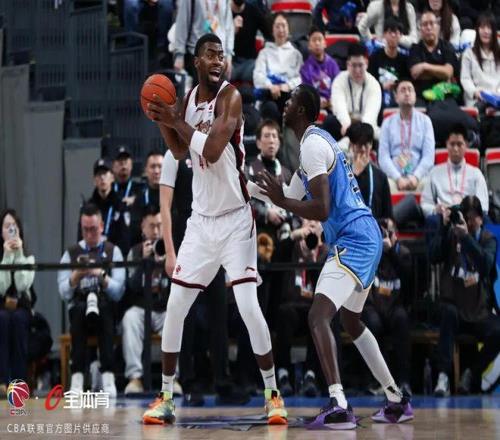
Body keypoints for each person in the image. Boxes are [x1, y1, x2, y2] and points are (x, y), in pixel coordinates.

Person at [142, 33, 287, 425]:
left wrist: (174, 119)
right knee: (176, 306)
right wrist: (162, 120)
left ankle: (273, 394)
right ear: (196, 61)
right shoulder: (188, 101)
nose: (218, 60)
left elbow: (210, 149)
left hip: (237, 219)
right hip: (201, 223)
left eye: (222, 55)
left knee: (248, 306)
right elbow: (179, 150)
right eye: (210, 54)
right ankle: (166, 396)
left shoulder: (231, 98)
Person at [258, 84, 412, 428]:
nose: (285, 103)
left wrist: (281, 201)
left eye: (291, 100)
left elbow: (322, 209)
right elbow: (287, 196)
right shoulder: (311, 148)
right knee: (351, 322)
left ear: (302, 110)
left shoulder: (313, 145)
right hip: (366, 236)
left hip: (354, 238)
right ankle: (396, 400)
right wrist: (247, 188)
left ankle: (339, 404)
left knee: (317, 316)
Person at [429, 196, 500, 396]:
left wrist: (467, 238)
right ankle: (443, 376)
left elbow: (485, 265)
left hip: (478, 310)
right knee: (448, 312)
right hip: (455, 307)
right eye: (464, 218)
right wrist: (443, 227)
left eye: (471, 218)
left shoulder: (488, 239)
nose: (467, 222)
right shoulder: (452, 235)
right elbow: (433, 256)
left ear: (480, 219)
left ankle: (471, 373)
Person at [58, 203, 126, 397]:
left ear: (102, 226)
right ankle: (77, 376)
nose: (89, 234)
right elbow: (63, 293)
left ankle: (108, 375)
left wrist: (100, 275)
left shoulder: (113, 251)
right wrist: (76, 276)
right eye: (85, 229)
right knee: (79, 310)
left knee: (104, 309)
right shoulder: (71, 253)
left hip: (105, 308)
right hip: (80, 308)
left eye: (93, 229)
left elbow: (119, 291)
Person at [122, 206, 170, 394]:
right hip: (141, 307)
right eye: (152, 226)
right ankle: (135, 378)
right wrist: (143, 263)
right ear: (143, 227)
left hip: (164, 308)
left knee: (177, 320)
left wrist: (165, 263)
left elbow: (178, 284)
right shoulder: (134, 252)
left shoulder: (171, 249)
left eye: (159, 225)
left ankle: (172, 379)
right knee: (129, 318)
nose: (156, 231)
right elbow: (131, 286)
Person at [362, 218, 413, 396]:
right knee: (372, 324)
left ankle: (403, 381)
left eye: (387, 232)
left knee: (401, 320)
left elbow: (408, 278)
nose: (384, 236)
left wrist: (391, 251)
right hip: (374, 304)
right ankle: (377, 381)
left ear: (395, 235)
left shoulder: (404, 253)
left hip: (395, 304)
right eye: (380, 232)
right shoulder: (370, 251)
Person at [420, 123, 489, 219]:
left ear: (466, 145)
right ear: (446, 144)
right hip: (443, 217)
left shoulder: (476, 174)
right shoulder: (434, 173)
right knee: (432, 220)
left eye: (459, 144)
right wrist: (435, 209)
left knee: (485, 220)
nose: (455, 149)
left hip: (469, 218)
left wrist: (470, 213)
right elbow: (425, 204)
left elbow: (484, 206)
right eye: (452, 144)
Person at [0, 209, 35, 394]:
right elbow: (2, 287)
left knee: (18, 319)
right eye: (7, 226)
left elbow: (22, 285)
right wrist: (6, 257)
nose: (11, 230)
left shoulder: (28, 258)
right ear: (1, 231)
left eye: (14, 226)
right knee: (3, 319)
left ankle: (19, 383)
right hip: (1, 307)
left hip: (21, 307)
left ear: (19, 230)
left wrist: (19, 253)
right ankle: (2, 381)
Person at [378, 79, 435, 192]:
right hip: (394, 178)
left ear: (415, 96)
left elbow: (428, 156)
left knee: (429, 184)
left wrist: (416, 176)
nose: (407, 93)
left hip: (419, 177)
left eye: (410, 90)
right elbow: (383, 157)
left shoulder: (425, 121)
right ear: (396, 97)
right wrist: (398, 178)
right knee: (385, 185)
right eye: (403, 90)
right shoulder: (387, 123)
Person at [324, 43, 382, 150]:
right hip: (344, 125)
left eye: (360, 65)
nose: (357, 70)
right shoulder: (339, 80)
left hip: (365, 126)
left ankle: (341, 147)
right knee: (330, 121)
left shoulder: (374, 84)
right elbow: (339, 107)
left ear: (366, 64)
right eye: (354, 65)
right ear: (347, 64)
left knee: (377, 133)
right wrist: (346, 124)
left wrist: (355, 134)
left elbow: (370, 117)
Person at [253, 13, 303, 125]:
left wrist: (287, 86)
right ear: (272, 30)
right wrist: (271, 86)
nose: (281, 30)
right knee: (270, 108)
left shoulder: (296, 54)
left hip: (288, 94)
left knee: (292, 107)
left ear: (288, 29)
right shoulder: (264, 53)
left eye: (283, 26)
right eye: (277, 26)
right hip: (268, 95)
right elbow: (258, 76)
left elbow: (300, 78)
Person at [174, 0, 234, 81]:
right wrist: (179, 55)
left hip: (221, 55)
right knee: (200, 88)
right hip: (198, 54)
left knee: (218, 88)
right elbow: (182, 23)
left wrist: (229, 56)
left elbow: (228, 26)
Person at [408, 10, 458, 100]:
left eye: (432, 23)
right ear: (420, 29)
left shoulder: (447, 47)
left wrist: (424, 66)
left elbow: (447, 73)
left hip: (444, 96)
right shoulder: (415, 48)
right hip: (421, 96)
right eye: (425, 24)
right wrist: (440, 72)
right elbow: (415, 73)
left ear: (438, 27)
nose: (428, 27)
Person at [347, 122, 393, 220]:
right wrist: (355, 175)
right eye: (360, 145)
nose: (363, 149)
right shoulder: (343, 175)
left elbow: (388, 215)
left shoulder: (380, 177)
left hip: (374, 226)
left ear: (371, 145)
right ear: (352, 146)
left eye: (366, 144)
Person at [84, 158, 128, 253]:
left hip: (114, 254)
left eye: (105, 174)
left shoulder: (120, 205)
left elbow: (125, 237)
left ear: (112, 177)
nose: (102, 178)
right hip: (92, 253)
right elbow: (82, 236)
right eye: (99, 174)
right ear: (94, 180)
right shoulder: (88, 207)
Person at [368, 18, 411, 109]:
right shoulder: (374, 57)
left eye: (396, 33)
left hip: (398, 96)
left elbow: (406, 80)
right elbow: (369, 81)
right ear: (384, 35)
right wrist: (382, 86)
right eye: (390, 32)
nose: (393, 35)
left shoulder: (405, 59)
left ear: (401, 35)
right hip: (377, 95)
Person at [460, 13, 500, 107]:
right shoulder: (468, 53)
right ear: (477, 30)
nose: (486, 31)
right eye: (482, 27)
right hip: (477, 99)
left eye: (489, 28)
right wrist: (474, 92)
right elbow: (465, 78)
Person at [111, 145, 143, 255]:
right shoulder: (108, 191)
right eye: (120, 161)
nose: (123, 164)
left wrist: (136, 200)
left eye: (126, 161)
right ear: (113, 166)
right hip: (112, 249)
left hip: (135, 248)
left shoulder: (141, 189)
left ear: (131, 164)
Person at [300, 27, 340, 112]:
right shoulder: (305, 68)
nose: (317, 43)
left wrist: (331, 100)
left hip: (332, 103)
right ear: (309, 46)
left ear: (325, 43)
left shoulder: (333, 64)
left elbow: (338, 86)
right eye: (314, 40)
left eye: (320, 39)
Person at [230, 0, 272, 83]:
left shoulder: (253, 10)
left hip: (250, 63)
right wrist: (232, 31)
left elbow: (269, 34)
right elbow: (217, 41)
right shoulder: (224, 12)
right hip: (230, 62)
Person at [130, 150, 163, 245]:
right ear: (146, 170)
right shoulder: (139, 199)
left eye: (160, 166)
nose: (156, 171)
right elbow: (134, 232)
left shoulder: (175, 196)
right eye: (153, 166)